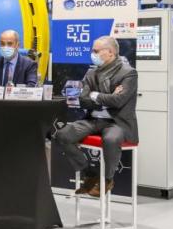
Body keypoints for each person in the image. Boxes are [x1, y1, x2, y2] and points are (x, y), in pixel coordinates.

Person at [53, 35, 138, 197]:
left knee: (111, 139)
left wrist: (95, 95)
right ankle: (89, 174)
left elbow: (119, 101)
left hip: (117, 122)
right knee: (62, 135)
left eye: (96, 51)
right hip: (93, 120)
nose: (92, 54)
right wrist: (105, 97)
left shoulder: (129, 73)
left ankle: (108, 180)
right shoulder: (91, 73)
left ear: (110, 52)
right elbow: (83, 100)